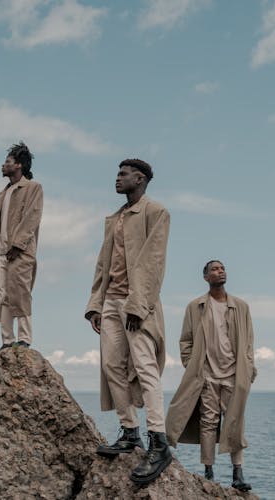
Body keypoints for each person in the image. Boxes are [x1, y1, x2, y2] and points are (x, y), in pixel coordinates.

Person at [84, 158, 172, 485]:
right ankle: (130, 432)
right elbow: (101, 264)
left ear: (140, 178)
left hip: (138, 304)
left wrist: (138, 304)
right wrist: (95, 304)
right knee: (111, 367)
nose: (117, 178)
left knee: (145, 367)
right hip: (110, 302)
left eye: (123, 174)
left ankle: (159, 442)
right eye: (117, 173)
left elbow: (154, 261)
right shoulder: (115, 218)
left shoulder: (155, 212)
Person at [165, 260, 256, 492]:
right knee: (208, 423)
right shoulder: (196, 306)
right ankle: (209, 471)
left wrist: (248, 367)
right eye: (214, 269)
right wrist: (192, 365)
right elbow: (185, 340)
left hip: (234, 375)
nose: (220, 271)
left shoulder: (241, 307)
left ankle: (238, 473)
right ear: (206, 277)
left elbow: (248, 343)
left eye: (222, 268)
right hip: (206, 376)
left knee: (235, 423)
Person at [0, 140, 43, 350]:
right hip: (0, 253)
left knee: (21, 293)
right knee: (3, 295)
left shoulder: (32, 188)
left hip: (21, 252)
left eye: (7, 162)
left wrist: (18, 244)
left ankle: (25, 339)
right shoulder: (3, 193)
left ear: (19, 165)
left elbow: (32, 217)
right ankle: (7, 341)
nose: (3, 165)